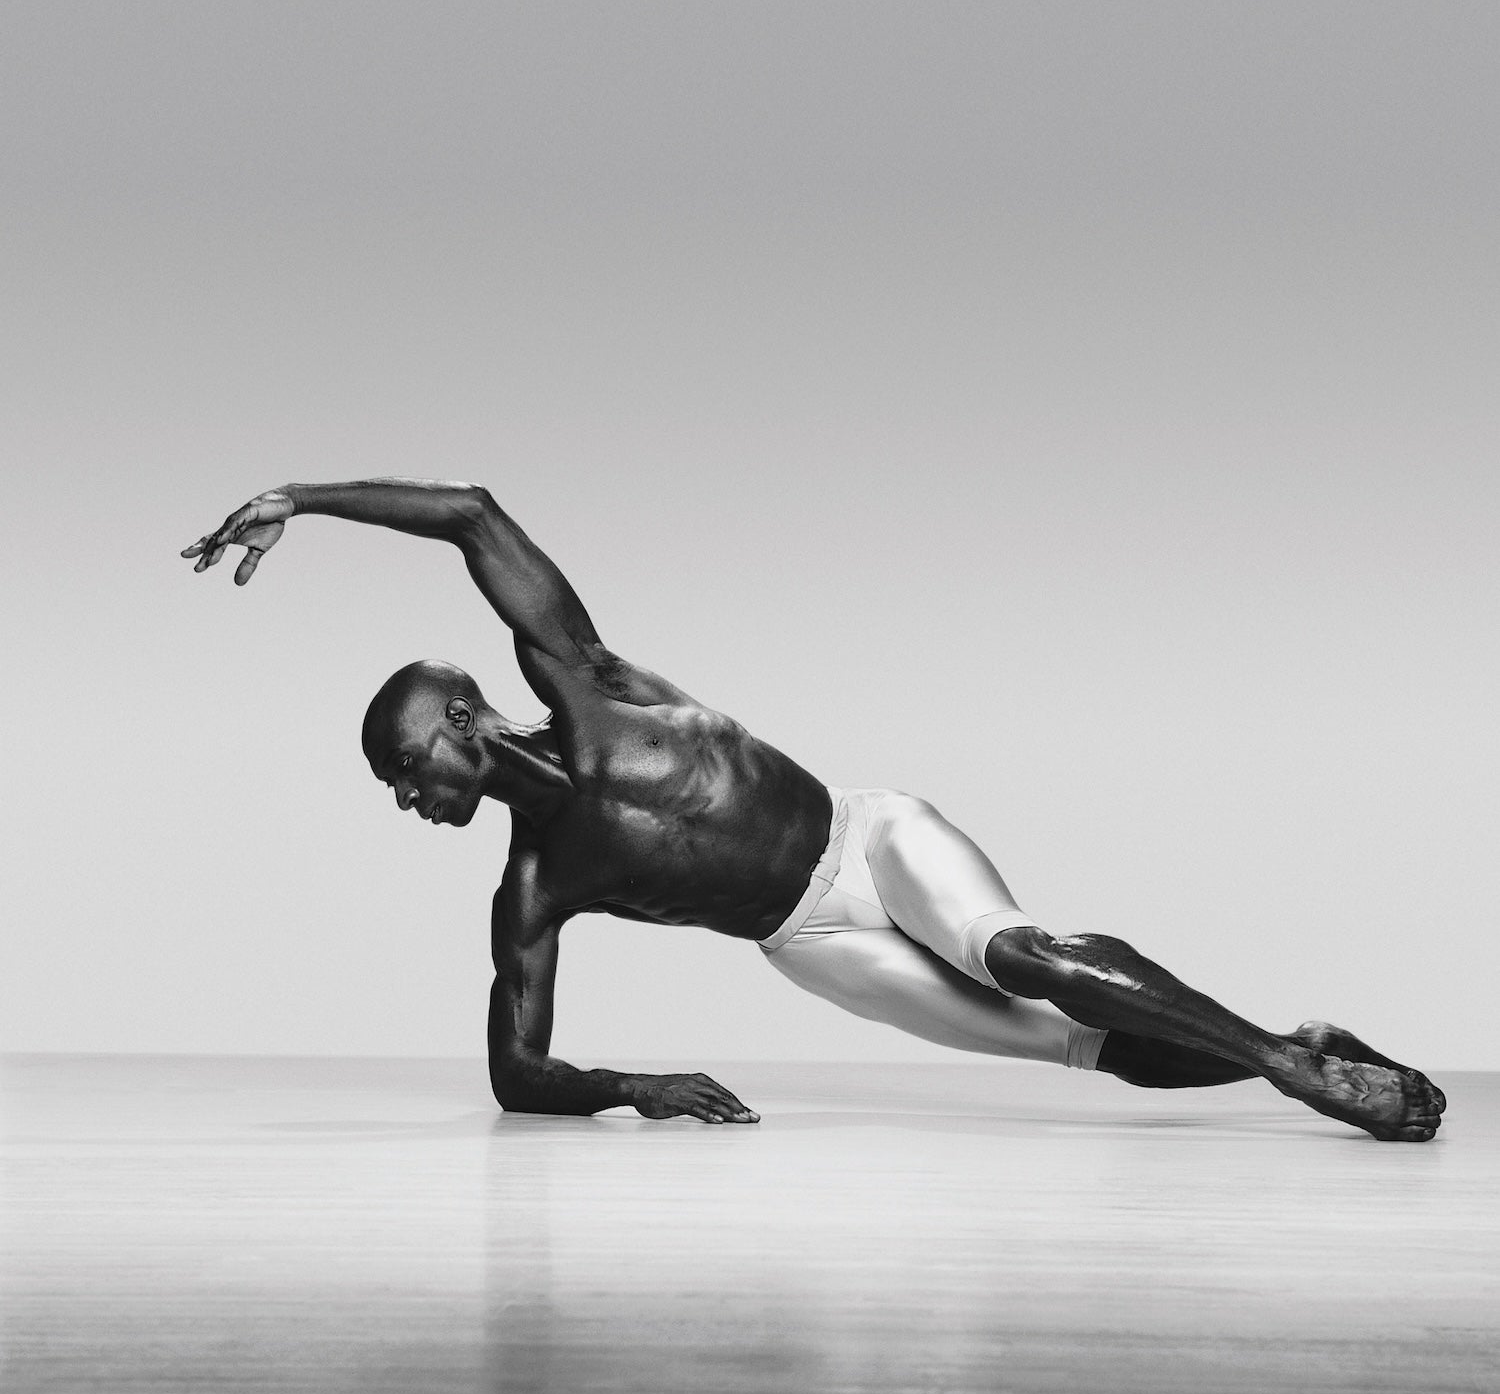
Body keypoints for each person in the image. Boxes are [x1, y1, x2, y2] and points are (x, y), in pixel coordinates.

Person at [182, 478, 1445, 1141]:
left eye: (409, 770)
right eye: (397, 792)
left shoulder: (585, 683)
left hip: (869, 842)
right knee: (1080, 1050)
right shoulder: (533, 883)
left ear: (460, 722)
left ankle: (1295, 1073)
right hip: (810, 945)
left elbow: (469, 514)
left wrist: (302, 494)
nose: (410, 801)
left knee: (1022, 955)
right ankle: (1300, 1037)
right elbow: (515, 1074)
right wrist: (637, 1085)